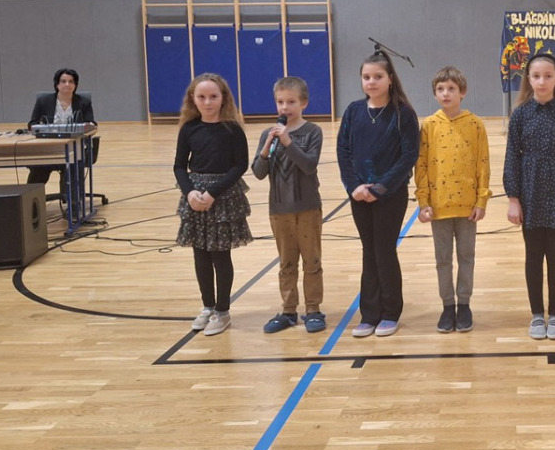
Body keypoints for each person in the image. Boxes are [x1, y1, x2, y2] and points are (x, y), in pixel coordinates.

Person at [337, 51, 419, 338]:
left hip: (389, 195)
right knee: (368, 251)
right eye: (366, 77)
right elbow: (343, 152)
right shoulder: (353, 111)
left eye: (377, 76)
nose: (371, 82)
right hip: (359, 195)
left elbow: (408, 156)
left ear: (390, 79)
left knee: (384, 251)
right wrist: (354, 187)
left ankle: (390, 312)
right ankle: (369, 314)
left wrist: (380, 188)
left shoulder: (403, 113)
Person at [503, 52, 555, 341]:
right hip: (530, 191)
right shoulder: (520, 114)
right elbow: (511, 157)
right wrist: (513, 198)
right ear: (528, 79)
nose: (542, 81)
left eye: (548, 76)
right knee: (533, 255)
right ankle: (537, 314)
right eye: (536, 76)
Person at [173, 73, 252, 336]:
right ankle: (207, 306)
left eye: (213, 96)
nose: (207, 102)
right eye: (202, 97)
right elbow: (179, 165)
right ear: (193, 99)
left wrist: (213, 193)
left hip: (223, 196)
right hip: (195, 195)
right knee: (200, 254)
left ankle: (222, 310)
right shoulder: (189, 128)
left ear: (223, 98)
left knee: (220, 254)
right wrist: (190, 193)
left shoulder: (232, 129)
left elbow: (240, 165)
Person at [415, 66, 491, 333]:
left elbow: (483, 164)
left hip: (468, 207)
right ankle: (448, 305)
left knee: (466, 257)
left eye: (451, 89)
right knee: (443, 259)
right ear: (435, 94)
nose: (446, 94)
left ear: (463, 92)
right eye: (440, 89)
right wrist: (423, 201)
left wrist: (481, 201)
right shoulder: (429, 126)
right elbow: (421, 165)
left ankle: (465, 304)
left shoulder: (475, 124)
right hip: (439, 208)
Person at [251, 77, 326, 334]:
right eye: (280, 102)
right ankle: (288, 310)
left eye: (291, 102)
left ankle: (313, 309)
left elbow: (309, 165)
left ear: (304, 103)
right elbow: (258, 172)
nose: (285, 107)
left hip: (307, 208)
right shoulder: (268, 135)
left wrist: (287, 142)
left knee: (311, 261)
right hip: (279, 209)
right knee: (286, 262)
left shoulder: (312, 131)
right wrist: (266, 148)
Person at [26, 68, 96, 194]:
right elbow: (32, 124)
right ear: (57, 84)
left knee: (74, 166)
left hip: (74, 148)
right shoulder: (44, 101)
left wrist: (87, 128)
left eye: (71, 81)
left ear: (75, 85)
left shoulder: (84, 102)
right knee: (38, 168)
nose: (67, 84)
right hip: (48, 148)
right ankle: (31, 199)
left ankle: (72, 201)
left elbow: (92, 124)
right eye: (63, 81)